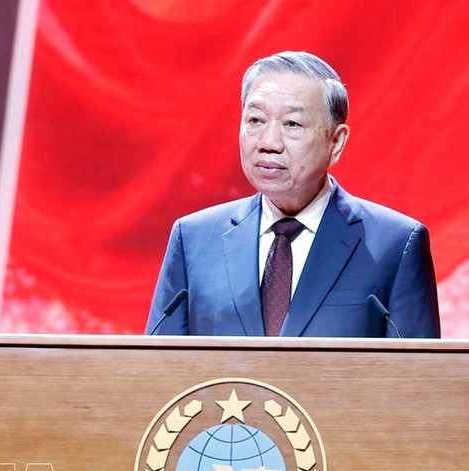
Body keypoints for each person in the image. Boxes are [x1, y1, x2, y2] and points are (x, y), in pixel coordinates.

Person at [146, 51, 440, 338]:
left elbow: (418, 369)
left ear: (336, 142)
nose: (269, 143)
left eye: (292, 124)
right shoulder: (194, 240)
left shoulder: (394, 245)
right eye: (255, 120)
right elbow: (158, 363)